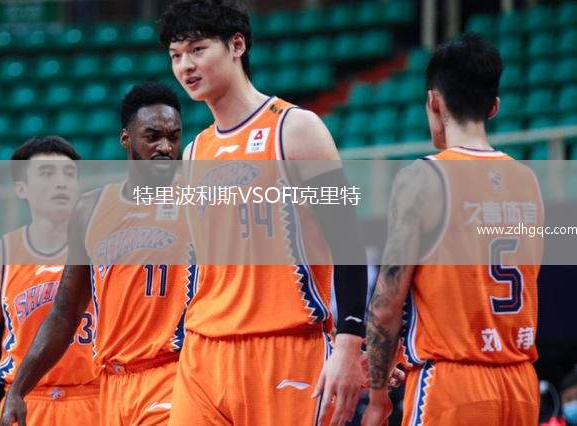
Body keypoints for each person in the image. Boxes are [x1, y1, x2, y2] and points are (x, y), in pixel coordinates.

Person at [159, 1, 372, 424]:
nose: (186, 66)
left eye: (198, 49)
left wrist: (350, 342)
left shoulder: (295, 129)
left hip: (285, 347)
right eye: (176, 55)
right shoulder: (194, 153)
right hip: (204, 352)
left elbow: (348, 239)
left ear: (237, 45)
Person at [363, 33, 544, 425]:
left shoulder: (423, 178)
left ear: (434, 101)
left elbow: (386, 305)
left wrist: (377, 396)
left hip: (453, 385)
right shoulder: (528, 180)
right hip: (520, 386)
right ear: (494, 107)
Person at [0, 82, 193, 426]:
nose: (165, 147)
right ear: (126, 139)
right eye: (152, 137)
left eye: (173, 137)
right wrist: (18, 389)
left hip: (172, 372)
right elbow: (65, 312)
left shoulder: (198, 200)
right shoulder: (91, 209)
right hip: (111, 386)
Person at [0, 136, 100, 426]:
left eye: (69, 175)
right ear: (22, 188)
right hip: (26, 403)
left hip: (96, 398)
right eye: (47, 174)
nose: (60, 183)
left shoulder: (103, 248)